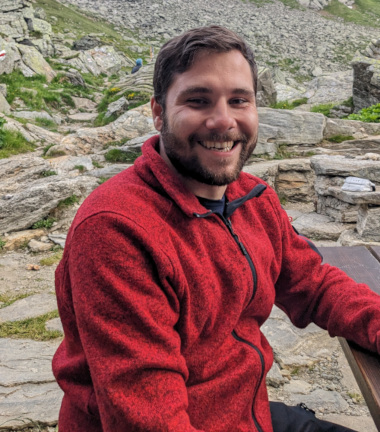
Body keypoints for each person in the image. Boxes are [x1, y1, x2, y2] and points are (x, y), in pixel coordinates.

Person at [52, 26, 380, 432]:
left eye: (239, 100)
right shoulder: (116, 231)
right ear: (158, 112)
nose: (223, 120)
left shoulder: (252, 197)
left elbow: (314, 284)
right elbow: (148, 415)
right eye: (198, 100)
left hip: (249, 412)